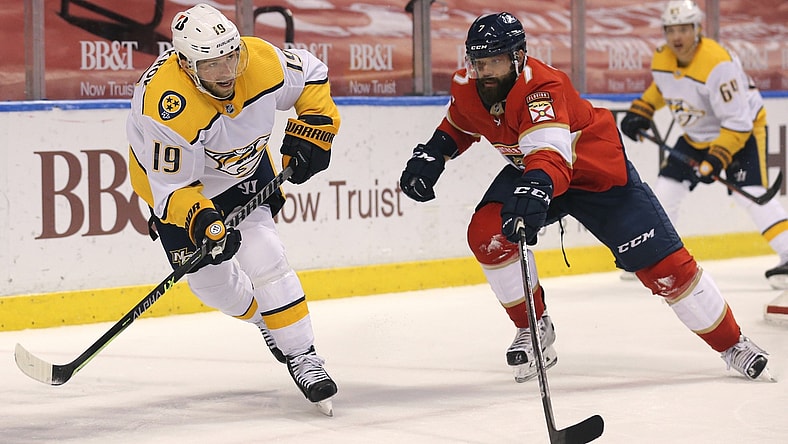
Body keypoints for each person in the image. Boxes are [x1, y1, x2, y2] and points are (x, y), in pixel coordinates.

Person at [399, 11, 774, 383]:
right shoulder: (468, 83)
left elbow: (551, 154)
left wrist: (535, 188)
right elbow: (462, 121)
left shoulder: (542, 86)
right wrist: (435, 152)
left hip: (595, 176)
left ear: (518, 56)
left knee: (666, 271)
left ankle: (732, 344)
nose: (487, 71)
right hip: (538, 170)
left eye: (496, 61)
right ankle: (534, 328)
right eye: (480, 62)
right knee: (486, 235)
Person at [126, 3, 339, 414]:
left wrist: (317, 125)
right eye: (211, 65)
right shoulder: (165, 106)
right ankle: (267, 320)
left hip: (244, 172)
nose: (226, 72)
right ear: (187, 65)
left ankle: (302, 355)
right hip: (181, 190)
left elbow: (312, 74)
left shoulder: (260, 60)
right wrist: (202, 218)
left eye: (230, 56)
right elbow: (172, 186)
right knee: (212, 286)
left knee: (266, 256)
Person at [620, 0, 788, 325]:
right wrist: (643, 109)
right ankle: (655, 255)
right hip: (698, 134)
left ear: (697, 29)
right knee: (666, 189)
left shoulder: (717, 63)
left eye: (684, 28)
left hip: (740, 132)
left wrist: (717, 158)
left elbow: (738, 120)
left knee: (749, 192)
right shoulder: (663, 56)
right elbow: (664, 86)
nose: (677, 36)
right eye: (671, 30)